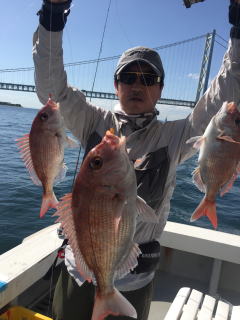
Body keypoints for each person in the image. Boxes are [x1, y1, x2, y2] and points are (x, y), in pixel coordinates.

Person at [33, 1, 240, 319]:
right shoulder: (91, 121)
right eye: (128, 76)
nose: (137, 84)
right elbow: (51, 87)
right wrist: (52, 17)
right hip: (79, 271)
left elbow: (224, 92)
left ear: (160, 89)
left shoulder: (176, 136)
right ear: (116, 86)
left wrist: (238, 30)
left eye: (148, 78)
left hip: (135, 282)